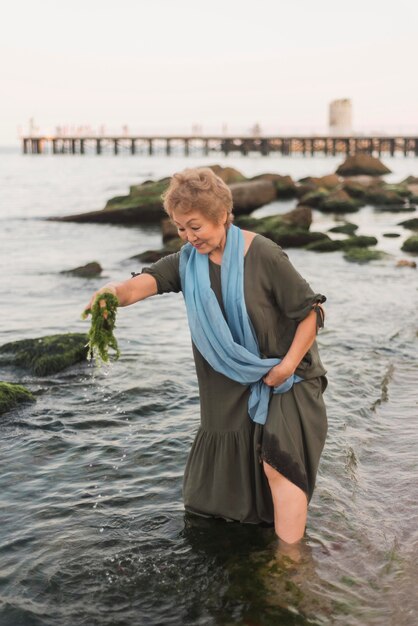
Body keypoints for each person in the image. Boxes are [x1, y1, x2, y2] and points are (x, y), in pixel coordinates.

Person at [85, 167, 327, 546]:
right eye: (180, 227)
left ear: (223, 215)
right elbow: (141, 285)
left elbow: (311, 312)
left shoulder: (263, 254)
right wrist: (110, 294)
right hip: (226, 382)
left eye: (194, 226)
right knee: (208, 500)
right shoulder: (187, 263)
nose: (187, 236)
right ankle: (244, 543)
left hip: (286, 378)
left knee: (278, 466)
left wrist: (286, 366)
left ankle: (291, 565)